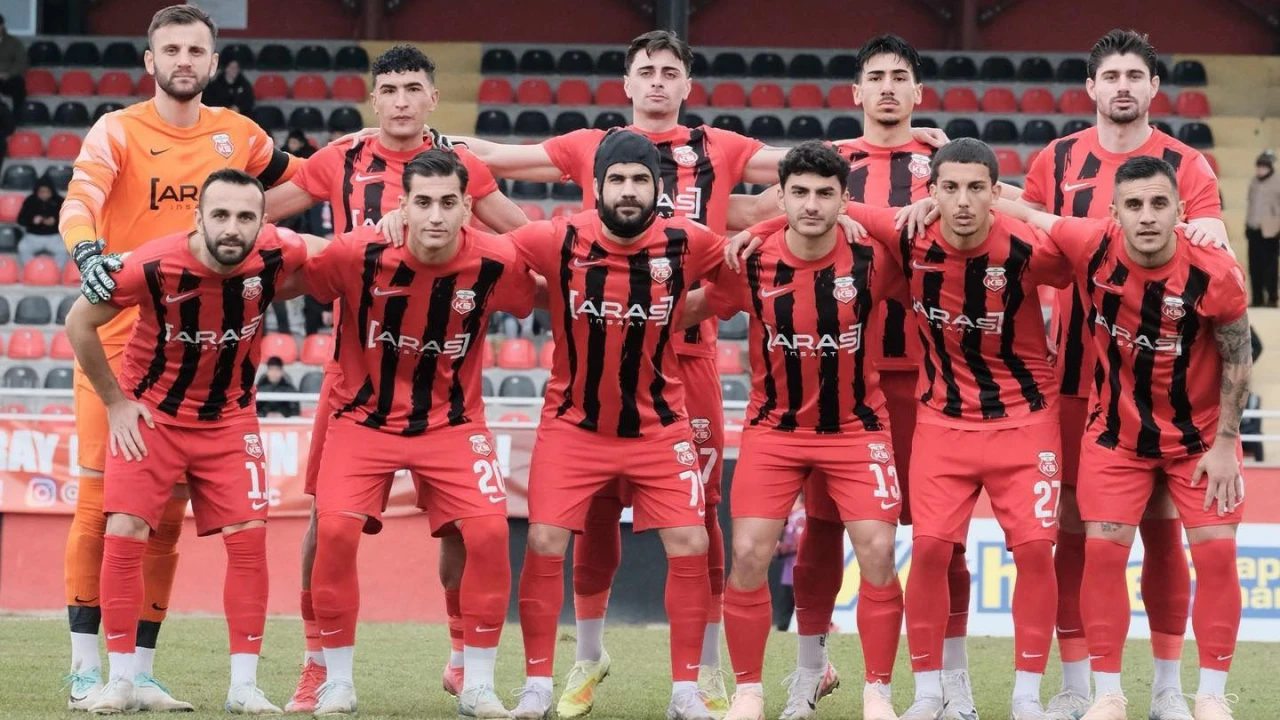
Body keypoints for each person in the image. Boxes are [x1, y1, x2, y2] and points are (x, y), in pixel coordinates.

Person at [741, 138, 1072, 719]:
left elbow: (1092, 246)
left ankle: (1021, 697)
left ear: (995, 192)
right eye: (950, 189)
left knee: (1031, 553)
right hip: (928, 410)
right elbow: (817, 213)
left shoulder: (1028, 246)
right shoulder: (905, 230)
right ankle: (912, 692)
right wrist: (764, 230)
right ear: (932, 191)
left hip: (1020, 417)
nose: (963, 201)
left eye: (977, 189)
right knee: (919, 546)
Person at [262, 43, 528, 712]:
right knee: (326, 524)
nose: (403, 101)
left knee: (468, 531)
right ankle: (318, 665)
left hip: (446, 385)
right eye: (391, 90)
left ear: (433, 98)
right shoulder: (340, 158)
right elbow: (257, 215)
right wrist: (333, 245)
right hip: (357, 376)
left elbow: (527, 240)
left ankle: (464, 660)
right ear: (373, 98)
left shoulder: (462, 169)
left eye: (414, 89)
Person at [56, 4, 301, 711]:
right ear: (150, 60)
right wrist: (86, 251)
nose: (184, 60)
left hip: (193, 345)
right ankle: (85, 667)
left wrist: (373, 171)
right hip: (116, 343)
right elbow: (81, 197)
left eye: (196, 49)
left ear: (214, 62)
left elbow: (311, 179)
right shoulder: (118, 129)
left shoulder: (239, 133)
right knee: (102, 505)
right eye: (172, 49)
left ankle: (139, 671)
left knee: (167, 519)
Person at [1017, 30, 1226, 720]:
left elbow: (1211, 246)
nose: (1123, 86)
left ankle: (1168, 689)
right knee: (1075, 533)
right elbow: (1030, 239)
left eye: (1135, 75)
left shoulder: (1186, 164)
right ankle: (1080, 686)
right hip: (1073, 378)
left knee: (1162, 532)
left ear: (1154, 87)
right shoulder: (1057, 158)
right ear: (1092, 87)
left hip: (1159, 384)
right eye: (1111, 76)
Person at [995, 155, 1250, 720]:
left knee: (1217, 555)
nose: (1147, 216)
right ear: (1114, 213)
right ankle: (1108, 694)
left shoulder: (1216, 270)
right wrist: (947, 196)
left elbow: (1238, 359)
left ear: (1180, 211)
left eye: (1159, 203)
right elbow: (1026, 211)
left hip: (1200, 441)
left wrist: (1226, 445)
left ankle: (1209, 696)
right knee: (1102, 557)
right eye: (1134, 205)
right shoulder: (1092, 243)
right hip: (1115, 437)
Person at [503, 129, 727, 720]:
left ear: (658, 188)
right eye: (617, 180)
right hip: (573, 427)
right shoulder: (556, 237)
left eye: (640, 180)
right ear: (597, 187)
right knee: (544, 541)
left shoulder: (688, 241)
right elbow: (484, 248)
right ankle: (536, 686)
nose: (629, 191)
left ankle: (685, 692)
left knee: (692, 541)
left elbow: (737, 276)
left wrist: (676, 313)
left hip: (659, 427)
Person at [691, 142, 907, 720]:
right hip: (774, 430)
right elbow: (698, 302)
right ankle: (748, 693)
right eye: (800, 193)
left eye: (825, 194)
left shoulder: (873, 259)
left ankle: (878, 693)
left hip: (857, 429)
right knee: (747, 553)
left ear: (844, 200)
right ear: (781, 197)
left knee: (878, 551)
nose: (812, 204)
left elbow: (935, 257)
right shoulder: (749, 260)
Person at [1246, 148, 1280, 307]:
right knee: (1254, 265)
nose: (1260, 169)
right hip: (1254, 227)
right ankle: (1257, 298)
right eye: (1259, 165)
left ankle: (1272, 298)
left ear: (1270, 166)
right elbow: (1250, 204)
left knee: (1270, 266)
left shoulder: (1277, 181)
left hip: (1271, 228)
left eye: (1264, 166)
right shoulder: (1254, 181)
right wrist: (1247, 224)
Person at [17, 178, 69, 270]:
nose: (44, 194)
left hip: (54, 236)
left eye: (47, 192)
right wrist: (32, 220)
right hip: (33, 236)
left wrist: (56, 221)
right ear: (37, 191)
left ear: (52, 191)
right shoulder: (30, 200)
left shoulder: (59, 200)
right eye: (41, 192)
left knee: (63, 250)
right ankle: (31, 270)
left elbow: (68, 220)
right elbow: (20, 220)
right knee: (22, 248)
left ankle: (56, 271)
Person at [0, 14, 27, 111]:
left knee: (18, 86)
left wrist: (8, 74)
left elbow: (22, 62)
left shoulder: (14, 42)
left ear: (2, 25)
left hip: (8, 78)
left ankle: (18, 116)